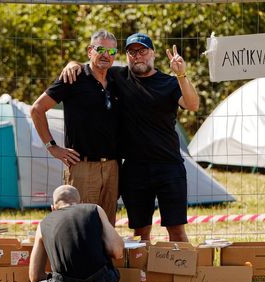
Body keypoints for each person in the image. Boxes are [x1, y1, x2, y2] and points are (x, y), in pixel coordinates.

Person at [60, 33, 200, 242]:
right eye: (132, 52)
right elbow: (93, 63)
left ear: (152, 53)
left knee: (177, 232)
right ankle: (142, 275)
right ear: (126, 56)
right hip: (134, 170)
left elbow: (193, 105)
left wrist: (181, 75)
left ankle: (183, 273)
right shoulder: (117, 77)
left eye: (143, 50)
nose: (138, 56)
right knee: (140, 233)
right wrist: (72, 64)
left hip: (169, 167)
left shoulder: (169, 83)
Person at [30, 30, 119, 226]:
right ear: (90, 51)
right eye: (100, 49)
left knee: (107, 227)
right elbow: (37, 109)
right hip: (82, 166)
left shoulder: (116, 80)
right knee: (81, 226)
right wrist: (52, 147)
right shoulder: (73, 77)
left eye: (111, 51)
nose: (106, 55)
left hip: (113, 167)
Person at [23, 185, 123, 282]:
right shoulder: (94, 209)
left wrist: (55, 280)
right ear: (80, 203)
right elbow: (118, 251)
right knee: (109, 270)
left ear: (53, 208)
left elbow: (34, 276)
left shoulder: (43, 225)